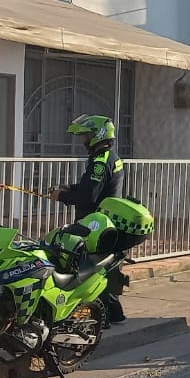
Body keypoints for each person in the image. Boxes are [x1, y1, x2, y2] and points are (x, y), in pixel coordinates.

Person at [54, 114, 127, 322]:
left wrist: (62, 196)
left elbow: (89, 196)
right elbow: (92, 187)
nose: (83, 140)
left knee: (92, 269)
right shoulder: (108, 156)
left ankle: (102, 316)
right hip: (103, 221)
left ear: (97, 135)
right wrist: (70, 188)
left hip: (96, 223)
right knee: (102, 268)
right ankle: (114, 314)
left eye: (85, 135)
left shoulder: (101, 161)